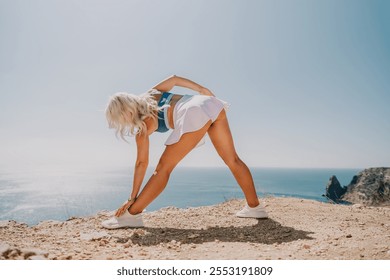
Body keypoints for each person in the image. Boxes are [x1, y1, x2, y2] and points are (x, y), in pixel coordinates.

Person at [101, 75, 268, 229]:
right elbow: (174, 79)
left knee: (163, 169)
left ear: (124, 113)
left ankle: (132, 216)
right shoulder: (151, 93)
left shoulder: (143, 127)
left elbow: (141, 164)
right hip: (209, 103)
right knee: (233, 159)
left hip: (192, 112)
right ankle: (255, 207)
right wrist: (202, 90)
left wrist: (132, 198)